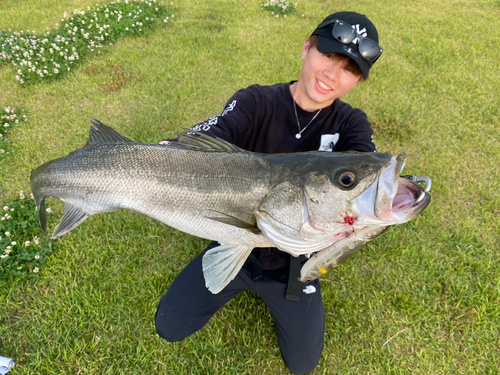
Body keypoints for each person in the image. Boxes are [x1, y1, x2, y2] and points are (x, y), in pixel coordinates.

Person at [155, 11, 383, 374]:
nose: (331, 75)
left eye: (349, 69)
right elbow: (209, 138)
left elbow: (362, 165)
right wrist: (160, 155)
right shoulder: (256, 102)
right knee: (169, 325)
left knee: (302, 365)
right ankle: (231, 270)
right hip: (234, 236)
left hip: (296, 265)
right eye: (327, 55)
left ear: (356, 81)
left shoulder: (350, 123)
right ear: (307, 47)